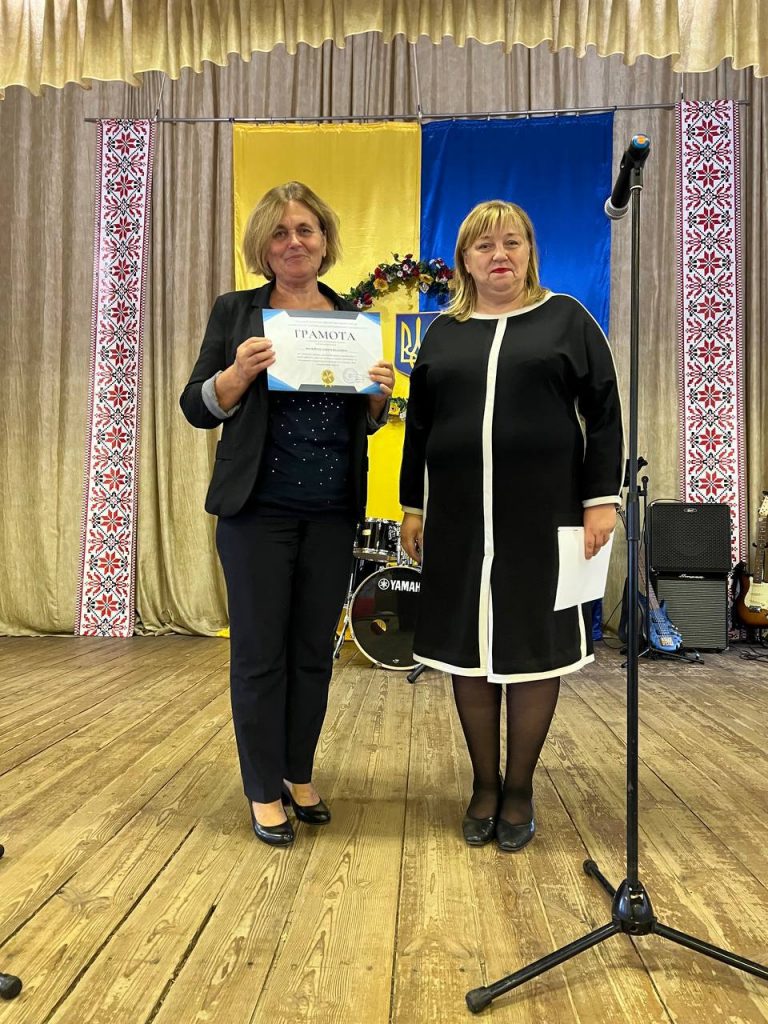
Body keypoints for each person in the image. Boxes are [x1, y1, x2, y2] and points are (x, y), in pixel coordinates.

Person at [400, 200, 623, 852]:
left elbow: (604, 413)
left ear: (529, 251)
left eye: (512, 242)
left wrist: (600, 499)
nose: (499, 254)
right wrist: (413, 504)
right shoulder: (443, 334)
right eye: (484, 245)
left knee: (533, 648)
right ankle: (484, 785)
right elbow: (419, 427)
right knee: (467, 649)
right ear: (464, 261)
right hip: (459, 519)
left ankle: (519, 789)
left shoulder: (567, 320)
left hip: (543, 516)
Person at [181, 182, 394, 846]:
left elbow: (363, 422)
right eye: (280, 232)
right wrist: (236, 375)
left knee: (312, 654)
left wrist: (378, 401)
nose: (294, 241)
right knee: (258, 656)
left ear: (325, 240)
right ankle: (261, 787)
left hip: (332, 514)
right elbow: (195, 406)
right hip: (256, 514)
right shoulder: (236, 312)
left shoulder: (352, 317)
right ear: (263, 246)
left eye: (305, 229)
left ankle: (298, 772)